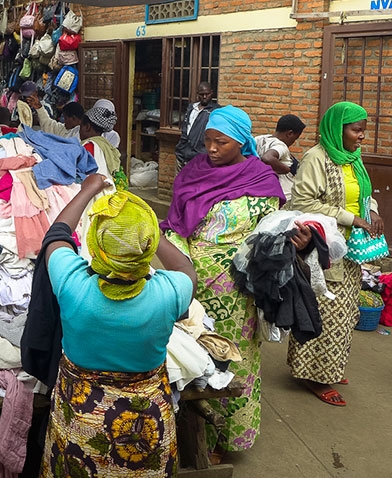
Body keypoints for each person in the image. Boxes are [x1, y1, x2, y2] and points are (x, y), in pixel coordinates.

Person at [160, 105, 308, 459]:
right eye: (208, 140)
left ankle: (226, 440)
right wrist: (183, 267)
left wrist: (294, 242)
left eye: (220, 142)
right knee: (193, 354)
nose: (211, 149)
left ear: (241, 141)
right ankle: (190, 435)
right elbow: (175, 224)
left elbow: (270, 234)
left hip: (239, 288)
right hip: (192, 281)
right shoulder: (192, 173)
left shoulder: (260, 179)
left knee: (234, 360)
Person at [39, 173, 195, 477]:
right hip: (146, 431)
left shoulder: (72, 284)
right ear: (147, 248)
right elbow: (185, 267)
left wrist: (89, 190)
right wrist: (150, 232)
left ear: (94, 246)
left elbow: (56, 235)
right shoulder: (169, 293)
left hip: (79, 428)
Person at [287, 102, 384, 406]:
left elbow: (363, 193)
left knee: (344, 315)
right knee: (324, 314)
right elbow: (302, 202)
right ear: (337, 128)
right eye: (356, 130)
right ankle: (315, 376)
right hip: (323, 249)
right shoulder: (316, 158)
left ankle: (331, 365)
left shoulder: (352, 158)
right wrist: (350, 218)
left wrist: (372, 211)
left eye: (362, 131)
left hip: (350, 250)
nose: (361, 137)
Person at [255, 114, 306, 202]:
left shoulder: (259, 139)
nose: (294, 142)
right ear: (290, 133)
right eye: (295, 138)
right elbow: (267, 158)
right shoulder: (281, 145)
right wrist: (286, 169)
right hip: (284, 198)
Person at [175, 82, 221, 171]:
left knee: (195, 183)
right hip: (182, 155)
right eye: (201, 94)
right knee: (179, 183)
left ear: (212, 93)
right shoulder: (191, 108)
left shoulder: (215, 112)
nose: (204, 97)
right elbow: (185, 130)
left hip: (200, 158)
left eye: (207, 94)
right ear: (197, 94)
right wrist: (179, 150)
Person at [79, 103, 123, 181]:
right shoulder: (105, 144)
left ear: (87, 127)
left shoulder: (88, 146)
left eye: (80, 126)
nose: (79, 131)